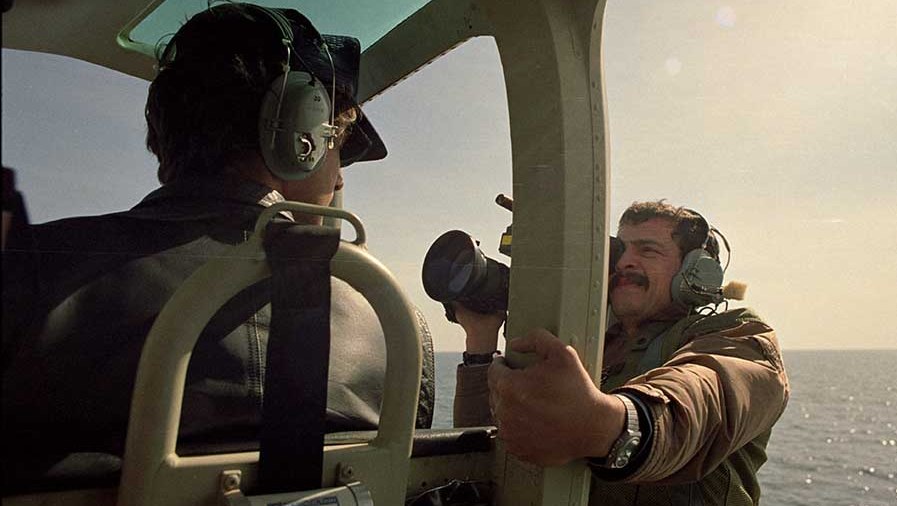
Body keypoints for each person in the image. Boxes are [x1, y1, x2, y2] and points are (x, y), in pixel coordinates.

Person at [1, 3, 434, 489]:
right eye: (338, 142)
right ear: (301, 134)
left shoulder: (25, 269)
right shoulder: (391, 321)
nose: (337, 177)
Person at [453, 200, 789, 505]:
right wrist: (480, 341)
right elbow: (493, 453)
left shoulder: (737, 336)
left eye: (647, 251)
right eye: (618, 251)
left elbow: (703, 393)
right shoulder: (586, 343)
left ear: (697, 271)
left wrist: (608, 425)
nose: (624, 262)